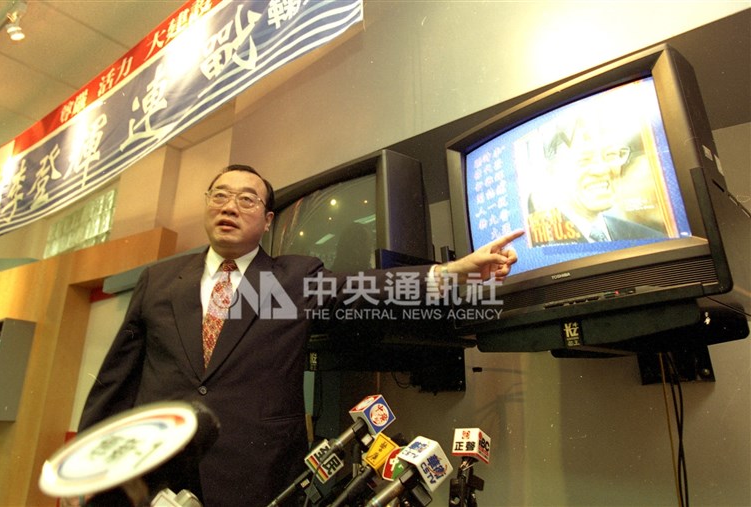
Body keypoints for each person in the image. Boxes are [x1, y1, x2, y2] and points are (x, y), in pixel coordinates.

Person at [78, 164, 522, 507]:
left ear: (267, 220)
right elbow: (114, 384)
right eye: (220, 196)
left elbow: (368, 288)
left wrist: (455, 272)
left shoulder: (294, 277)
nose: (230, 206)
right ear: (207, 204)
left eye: (246, 200)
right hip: (158, 478)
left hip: (259, 478)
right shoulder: (158, 279)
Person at [526, 114, 666, 246]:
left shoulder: (649, 237)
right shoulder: (533, 242)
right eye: (584, 159)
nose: (602, 169)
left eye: (611, 155)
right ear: (552, 170)